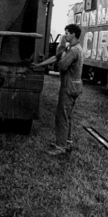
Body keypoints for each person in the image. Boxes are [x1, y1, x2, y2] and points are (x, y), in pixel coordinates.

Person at [33, 24, 83, 156]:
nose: (65, 35)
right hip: (75, 86)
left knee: (61, 116)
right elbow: (56, 57)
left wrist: (62, 51)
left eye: (67, 33)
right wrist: (39, 65)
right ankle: (67, 142)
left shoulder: (72, 51)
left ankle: (60, 147)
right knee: (68, 115)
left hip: (68, 86)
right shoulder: (73, 48)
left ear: (73, 34)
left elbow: (62, 65)